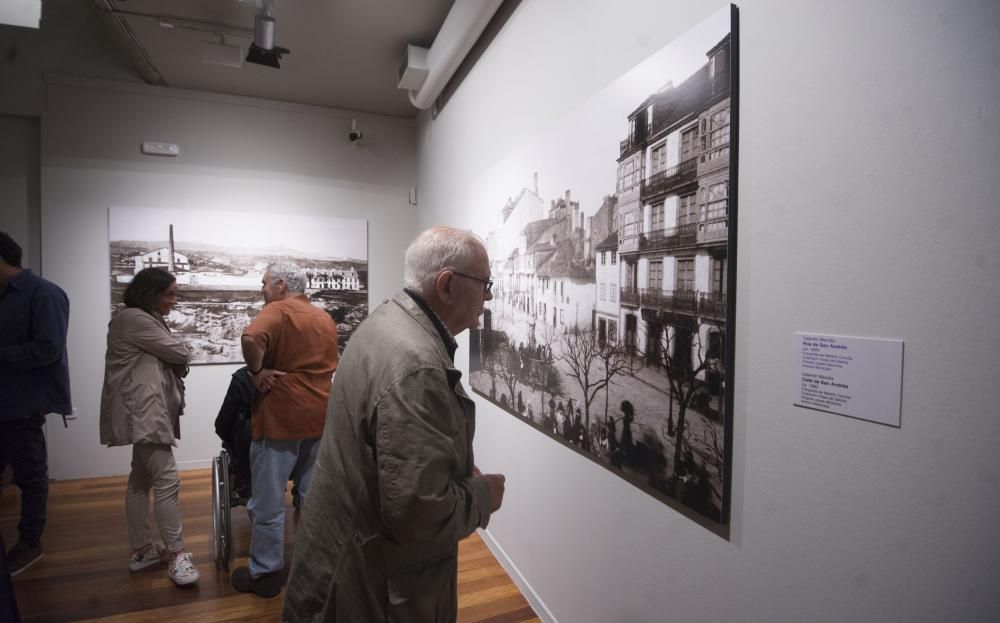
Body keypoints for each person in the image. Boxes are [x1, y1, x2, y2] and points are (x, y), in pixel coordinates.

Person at [283, 226, 506, 623]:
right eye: (485, 284)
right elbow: (419, 513)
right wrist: (483, 495)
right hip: (370, 587)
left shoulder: (386, 322)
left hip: (342, 555)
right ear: (447, 284)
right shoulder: (417, 366)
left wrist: (450, 469)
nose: (488, 298)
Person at [230, 263, 339, 598]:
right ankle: (314, 567)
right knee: (312, 498)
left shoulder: (276, 311)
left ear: (280, 285)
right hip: (320, 415)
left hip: (281, 419)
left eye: (264, 283)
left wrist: (256, 370)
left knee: (268, 502)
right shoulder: (324, 317)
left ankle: (265, 574)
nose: (262, 289)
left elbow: (250, 338)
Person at [99, 267, 199, 586]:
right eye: (169, 293)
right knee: (167, 479)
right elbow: (180, 352)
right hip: (145, 410)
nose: (175, 298)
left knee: (140, 478)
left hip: (143, 409)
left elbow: (173, 356)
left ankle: (143, 550)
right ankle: (176, 553)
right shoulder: (136, 319)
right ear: (150, 293)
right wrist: (179, 355)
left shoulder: (139, 317)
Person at [0, 231, 71, 578]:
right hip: (7, 400)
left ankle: (30, 543)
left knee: (31, 475)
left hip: (23, 403)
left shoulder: (43, 293)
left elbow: (48, 349)